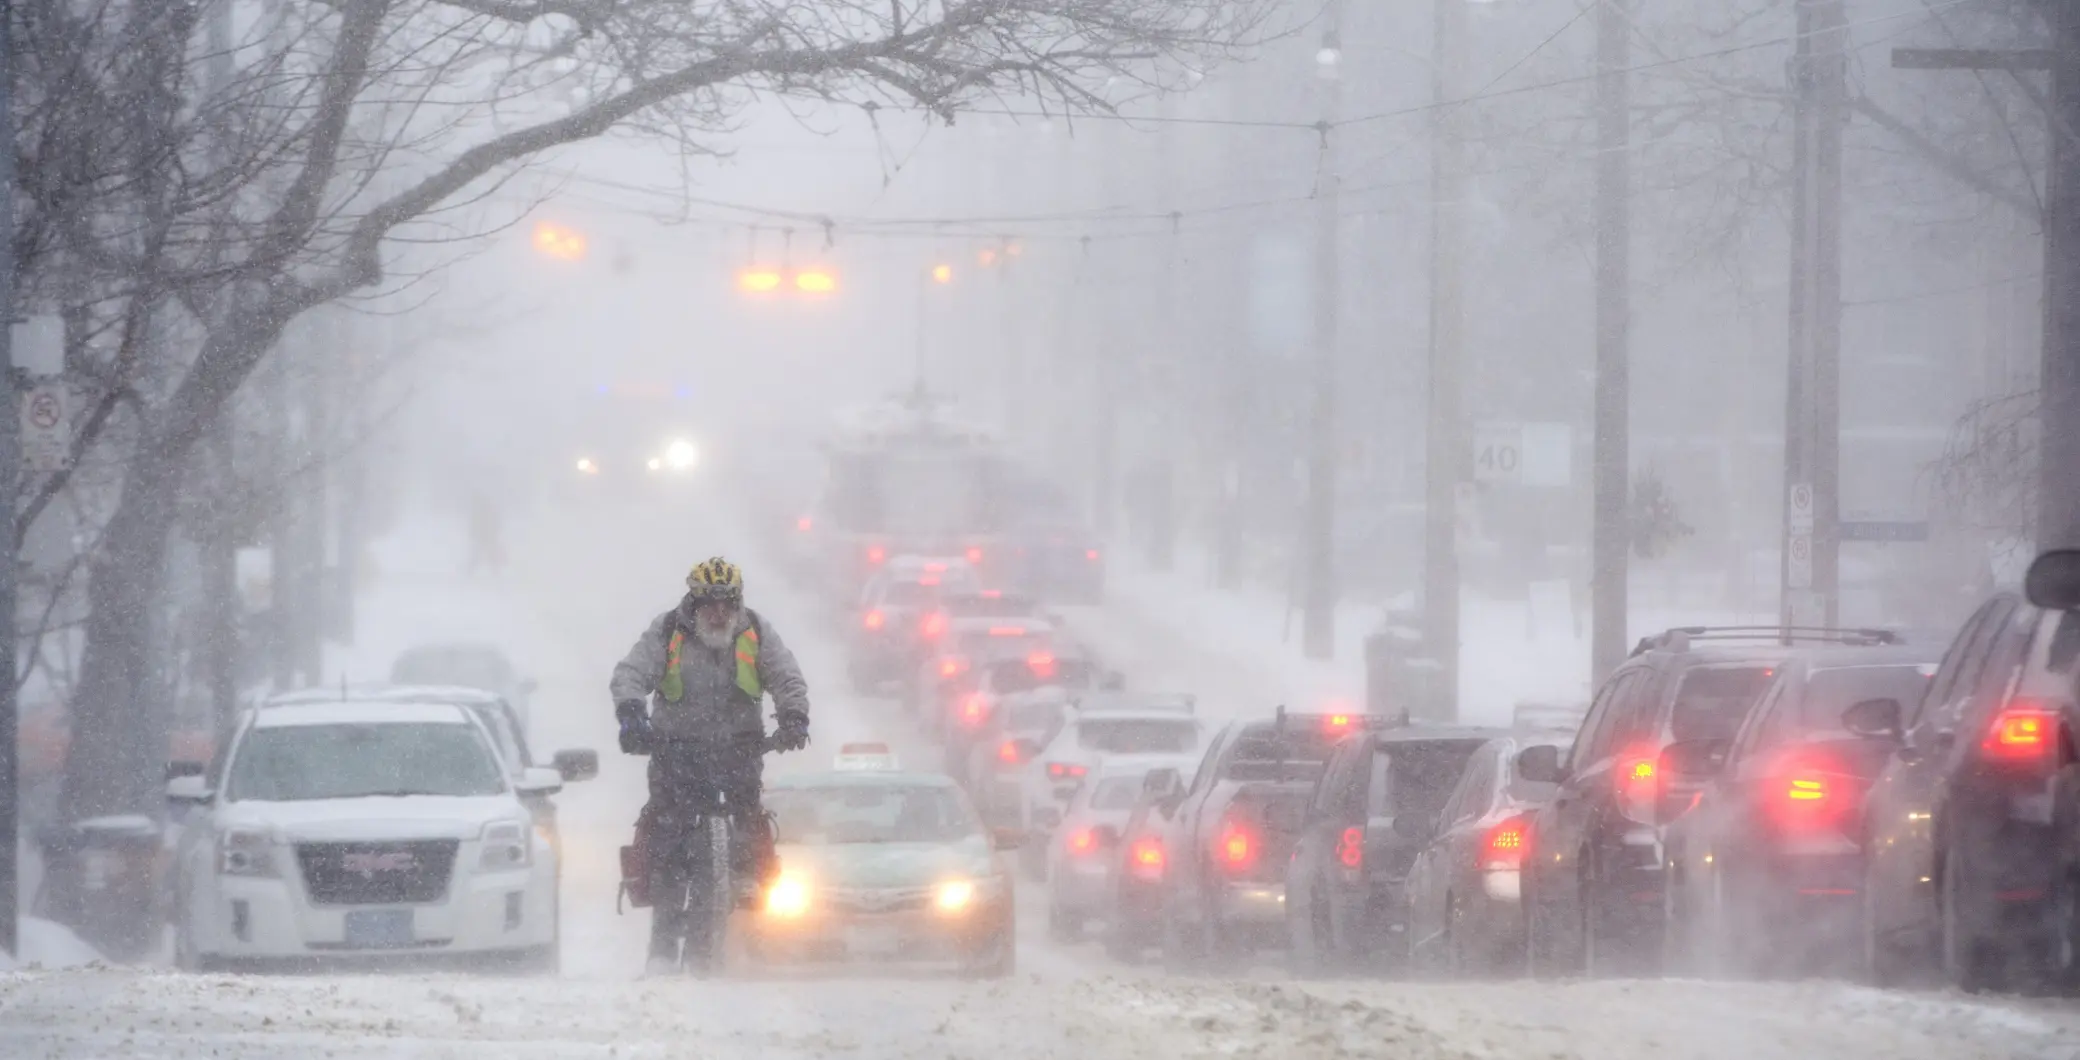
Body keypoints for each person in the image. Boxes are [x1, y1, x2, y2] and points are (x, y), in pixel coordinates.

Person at [610, 557, 811, 975]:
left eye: (727, 604)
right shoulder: (668, 632)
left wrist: (793, 717)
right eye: (710, 605)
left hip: (739, 749)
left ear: (738, 603)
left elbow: (786, 674)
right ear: (693, 604)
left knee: (750, 820)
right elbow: (631, 672)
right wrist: (632, 716)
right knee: (665, 828)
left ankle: (751, 880)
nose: (719, 613)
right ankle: (662, 939)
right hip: (676, 750)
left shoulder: (755, 631)